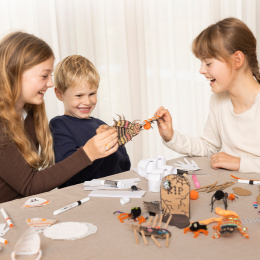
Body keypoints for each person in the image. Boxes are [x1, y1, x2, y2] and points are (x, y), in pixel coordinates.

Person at [0, 32, 119, 203]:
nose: (50, 83)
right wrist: (88, 153)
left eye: (50, 76)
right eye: (44, 76)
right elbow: (29, 185)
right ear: (15, 73)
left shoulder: (30, 113)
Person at [156, 17, 260, 173]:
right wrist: (171, 136)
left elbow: (236, 162)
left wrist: (239, 163)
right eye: (201, 63)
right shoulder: (219, 100)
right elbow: (209, 147)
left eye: (208, 63)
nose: (201, 70)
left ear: (237, 60)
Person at [49, 55, 130, 188]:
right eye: (79, 95)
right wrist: (98, 148)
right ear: (59, 94)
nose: (87, 102)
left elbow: (124, 165)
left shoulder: (100, 124)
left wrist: (119, 143)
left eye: (92, 94)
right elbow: (70, 175)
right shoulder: (59, 126)